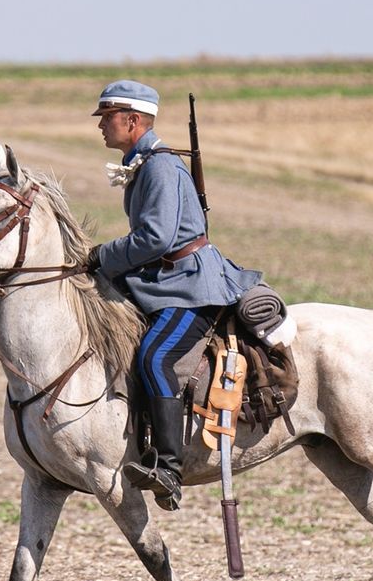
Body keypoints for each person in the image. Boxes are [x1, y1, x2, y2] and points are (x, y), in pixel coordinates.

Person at [85, 80, 262, 511]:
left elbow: (156, 238)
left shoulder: (160, 167)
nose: (101, 126)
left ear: (133, 120)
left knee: (155, 356)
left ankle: (168, 467)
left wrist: (100, 256)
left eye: (107, 117)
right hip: (163, 280)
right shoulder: (144, 161)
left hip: (188, 287)